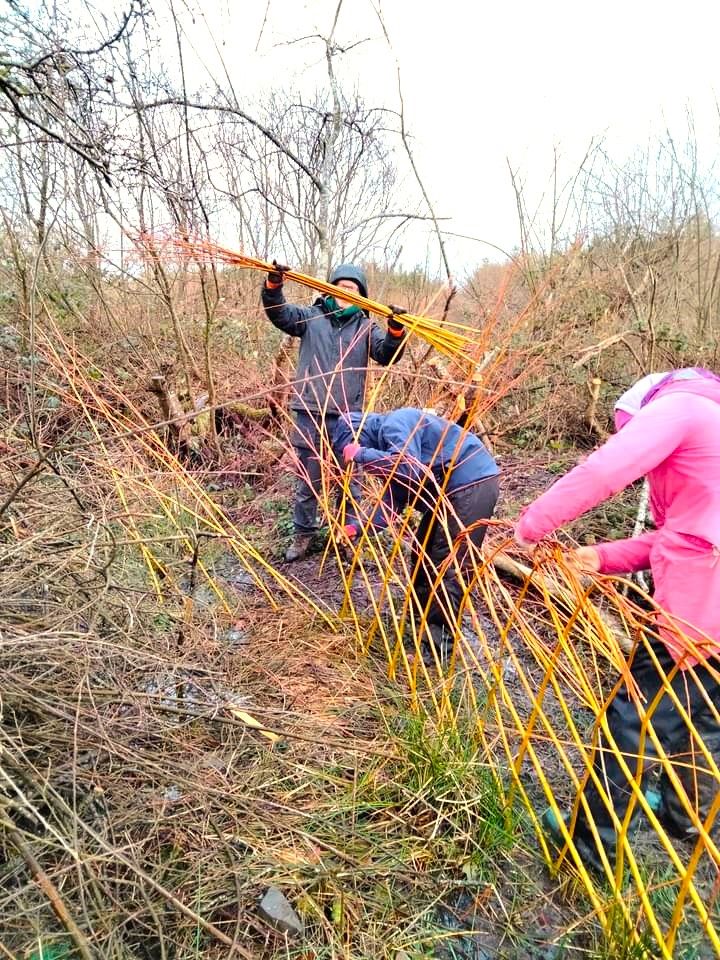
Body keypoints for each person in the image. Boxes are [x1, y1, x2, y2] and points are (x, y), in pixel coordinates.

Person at [514, 367, 720, 873]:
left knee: (634, 715)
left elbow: (603, 472)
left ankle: (592, 847)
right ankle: (691, 815)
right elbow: (688, 534)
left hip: (699, 602)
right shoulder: (713, 423)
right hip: (708, 593)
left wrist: (532, 525)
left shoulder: (679, 409)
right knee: (703, 711)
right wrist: (603, 557)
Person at [262, 262, 407, 561]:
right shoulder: (311, 317)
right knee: (308, 481)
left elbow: (386, 355)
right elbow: (280, 314)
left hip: (348, 418)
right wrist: (274, 285)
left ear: (361, 295)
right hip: (309, 413)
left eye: (352, 288)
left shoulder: (367, 328)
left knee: (349, 482)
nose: (346, 292)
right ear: (330, 288)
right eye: (340, 286)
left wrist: (395, 331)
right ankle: (303, 535)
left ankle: (347, 536)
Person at [333, 407, 500, 662]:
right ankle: (421, 624)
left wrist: (362, 455)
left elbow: (410, 470)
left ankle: (438, 649)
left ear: (359, 436)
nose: (360, 467)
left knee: (447, 566)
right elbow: (392, 503)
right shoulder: (388, 449)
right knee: (421, 554)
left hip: (470, 484)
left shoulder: (396, 424)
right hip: (445, 494)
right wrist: (356, 528)